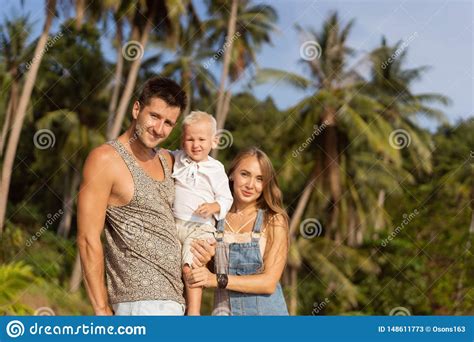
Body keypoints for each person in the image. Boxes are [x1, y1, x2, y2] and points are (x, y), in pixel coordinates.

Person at [77, 77, 214, 316]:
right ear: (136, 108)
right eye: (154, 116)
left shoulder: (169, 160)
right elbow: (88, 239)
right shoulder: (105, 159)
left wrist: (206, 246)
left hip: (176, 299)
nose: (159, 129)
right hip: (138, 303)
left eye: (169, 123)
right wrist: (101, 309)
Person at [185, 147, 290, 315]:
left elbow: (269, 283)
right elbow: (202, 271)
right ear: (232, 174)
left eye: (259, 179)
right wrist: (206, 259)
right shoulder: (214, 218)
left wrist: (216, 279)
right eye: (245, 174)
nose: (250, 185)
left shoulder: (274, 220)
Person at [171, 111, 233, 315]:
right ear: (182, 141)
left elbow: (226, 198)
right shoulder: (177, 158)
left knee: (192, 266)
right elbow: (159, 154)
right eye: (190, 139)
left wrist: (214, 206)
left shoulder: (216, 168)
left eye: (201, 139)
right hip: (174, 224)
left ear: (214, 141)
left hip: (200, 228)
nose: (195, 144)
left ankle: (194, 312)